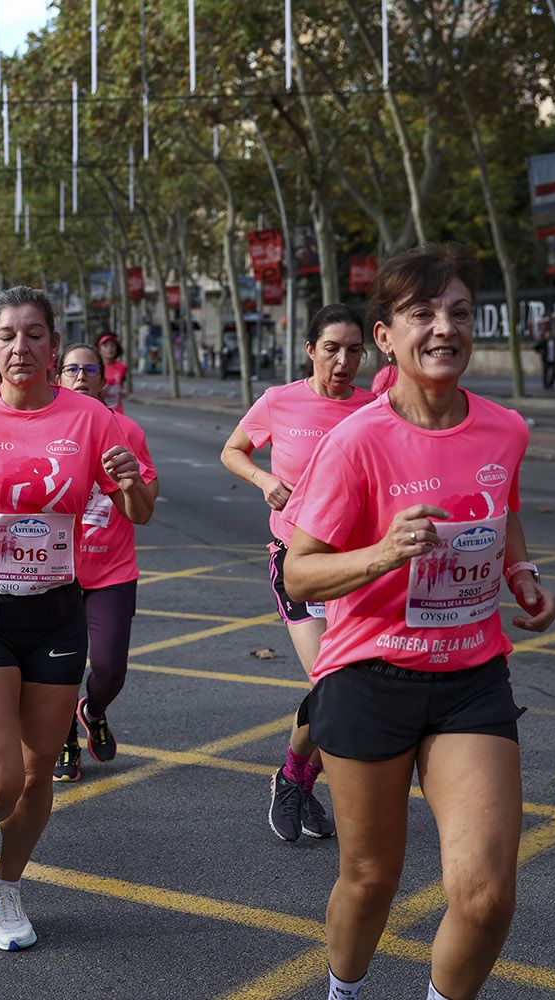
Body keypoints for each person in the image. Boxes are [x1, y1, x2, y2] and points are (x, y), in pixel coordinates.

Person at [281, 244, 555, 1000]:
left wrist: (521, 574)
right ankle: (343, 989)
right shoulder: (356, 441)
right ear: (387, 338)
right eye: (422, 314)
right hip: (369, 676)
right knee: (371, 882)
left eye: (459, 313)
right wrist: (382, 553)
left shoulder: (505, 429)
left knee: (486, 895)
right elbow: (298, 572)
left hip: (471, 679)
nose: (444, 328)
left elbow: (500, 513)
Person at [0, 286, 153, 951]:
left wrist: (131, 479)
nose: (22, 347)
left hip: (56, 611)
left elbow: (139, 509)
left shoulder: (92, 419)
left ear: (54, 345)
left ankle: (10, 888)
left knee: (38, 769)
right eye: (8, 335)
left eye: (35, 334)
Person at [219, 304, 375, 841]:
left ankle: (296, 777)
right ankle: (295, 778)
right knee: (332, 683)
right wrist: (263, 480)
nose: (344, 360)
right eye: (332, 348)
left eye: (355, 350)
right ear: (310, 349)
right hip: (296, 559)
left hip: (354, 563)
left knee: (355, 689)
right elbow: (232, 450)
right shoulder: (279, 401)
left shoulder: (374, 405)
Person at [51, 343, 159, 782]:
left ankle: (92, 709)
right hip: (55, 572)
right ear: (57, 378)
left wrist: (131, 480)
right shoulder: (48, 429)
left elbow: (145, 508)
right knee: (56, 669)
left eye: (88, 369)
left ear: (103, 379)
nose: (79, 376)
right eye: (70, 369)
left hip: (112, 571)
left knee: (110, 668)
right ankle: (63, 741)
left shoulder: (128, 431)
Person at [97, 332, 132, 412]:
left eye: (112, 345)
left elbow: (121, 386)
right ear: (100, 349)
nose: (110, 348)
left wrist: (123, 391)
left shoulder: (122, 366)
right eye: (106, 346)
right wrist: (102, 392)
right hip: (101, 410)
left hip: (117, 410)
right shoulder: (96, 367)